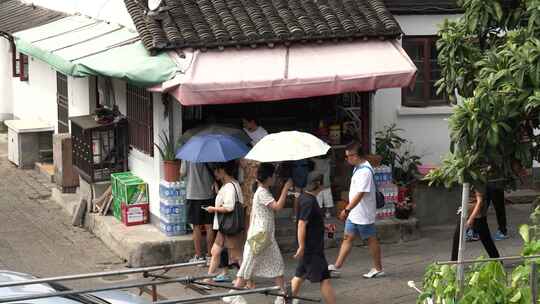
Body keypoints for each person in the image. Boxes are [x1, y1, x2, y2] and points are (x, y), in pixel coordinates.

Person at [224, 164, 294, 304]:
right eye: (273, 176)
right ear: (267, 178)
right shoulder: (262, 192)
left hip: (265, 235)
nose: (274, 178)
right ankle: (233, 295)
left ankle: (283, 296)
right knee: (249, 265)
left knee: (277, 264)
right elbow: (278, 207)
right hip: (261, 235)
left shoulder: (263, 191)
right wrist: (286, 188)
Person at [328, 141, 384, 279]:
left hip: (363, 214)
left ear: (356, 156)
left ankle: (378, 268)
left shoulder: (364, 171)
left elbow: (360, 194)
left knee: (371, 240)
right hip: (355, 212)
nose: (347, 159)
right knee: (348, 238)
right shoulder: (358, 167)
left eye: (348, 156)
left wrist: (346, 209)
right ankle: (337, 266)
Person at [291, 174, 336, 304]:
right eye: (322, 183)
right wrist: (301, 246)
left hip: (313, 247)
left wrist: (324, 226)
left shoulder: (306, 198)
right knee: (324, 279)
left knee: (299, 276)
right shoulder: (309, 201)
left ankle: (284, 301)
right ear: (318, 184)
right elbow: (301, 223)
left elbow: (309, 222)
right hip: (311, 248)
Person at [205, 161, 245, 282]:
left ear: (222, 170)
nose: (215, 174)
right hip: (225, 226)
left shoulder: (229, 187)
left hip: (229, 226)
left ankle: (247, 280)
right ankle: (208, 279)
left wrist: (213, 209)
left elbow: (229, 207)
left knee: (237, 255)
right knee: (215, 251)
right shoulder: (232, 184)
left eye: (216, 171)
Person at [451, 187, 500, 261]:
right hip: (466, 213)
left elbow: (479, 201)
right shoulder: (466, 179)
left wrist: (471, 219)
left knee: (486, 239)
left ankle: (497, 261)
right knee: (457, 237)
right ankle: (453, 262)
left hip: (477, 216)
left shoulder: (477, 181)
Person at [180, 160, 215, 264]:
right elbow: (214, 171)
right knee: (209, 226)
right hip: (208, 194)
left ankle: (199, 257)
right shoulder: (210, 154)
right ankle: (210, 256)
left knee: (197, 227)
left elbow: (182, 172)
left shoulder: (188, 155)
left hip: (193, 195)